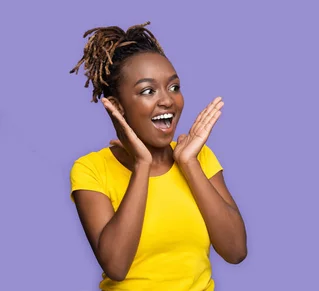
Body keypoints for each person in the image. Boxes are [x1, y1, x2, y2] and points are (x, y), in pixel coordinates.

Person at [68, 21, 247, 291]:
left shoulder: (199, 157)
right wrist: (142, 164)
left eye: (174, 87)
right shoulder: (91, 169)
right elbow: (116, 266)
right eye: (148, 91)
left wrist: (189, 164)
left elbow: (235, 251)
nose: (167, 100)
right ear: (117, 106)